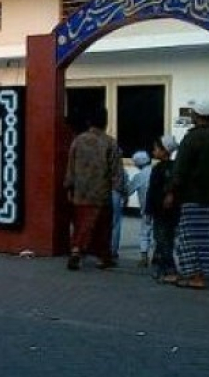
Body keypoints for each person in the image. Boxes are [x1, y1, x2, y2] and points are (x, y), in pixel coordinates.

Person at [168, 101, 209, 289]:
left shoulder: (192, 139)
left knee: (189, 239)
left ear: (198, 116)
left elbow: (180, 169)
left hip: (193, 199)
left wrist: (171, 192)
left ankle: (196, 276)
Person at [64, 106, 124, 271]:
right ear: (105, 122)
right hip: (101, 193)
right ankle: (103, 257)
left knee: (80, 224)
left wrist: (69, 187)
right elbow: (116, 171)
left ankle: (76, 250)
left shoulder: (78, 140)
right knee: (103, 227)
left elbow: (71, 166)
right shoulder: (109, 143)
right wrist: (119, 190)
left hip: (80, 192)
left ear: (88, 122)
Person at [145, 135, 179, 282]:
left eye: (156, 149)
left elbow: (152, 191)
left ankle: (169, 268)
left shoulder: (158, 169)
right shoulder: (175, 167)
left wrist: (148, 210)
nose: (153, 152)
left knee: (161, 238)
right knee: (168, 239)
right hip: (173, 212)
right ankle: (161, 265)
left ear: (165, 151)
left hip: (159, 210)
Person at [127, 150, 153, 267]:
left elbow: (128, 190)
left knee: (145, 233)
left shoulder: (139, 176)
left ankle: (144, 257)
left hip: (146, 209)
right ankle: (159, 256)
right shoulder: (155, 171)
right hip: (160, 208)